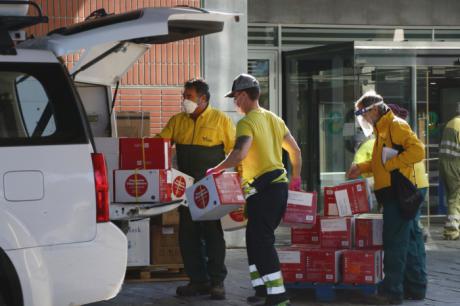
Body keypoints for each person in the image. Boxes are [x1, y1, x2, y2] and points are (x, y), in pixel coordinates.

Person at [206, 73, 302, 306]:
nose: (234, 103)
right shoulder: (274, 119)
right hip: (275, 188)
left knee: (262, 241)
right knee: (253, 239)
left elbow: (240, 152)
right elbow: (295, 151)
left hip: (264, 189)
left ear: (242, 95)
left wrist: (216, 169)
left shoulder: (247, 122)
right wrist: (296, 178)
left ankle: (278, 296)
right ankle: (260, 289)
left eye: (235, 98)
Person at [158, 78, 235, 300]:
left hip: (210, 186)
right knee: (188, 235)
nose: (185, 100)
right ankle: (197, 280)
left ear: (203, 99)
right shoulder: (177, 120)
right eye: (184, 96)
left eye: (189, 96)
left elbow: (234, 152)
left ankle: (217, 282)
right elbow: (160, 144)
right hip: (186, 187)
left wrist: (234, 184)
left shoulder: (221, 119)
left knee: (212, 234)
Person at [347, 91, 427, 305]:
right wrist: (360, 168)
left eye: (363, 114)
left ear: (374, 110)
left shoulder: (395, 126)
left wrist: (390, 165)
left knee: (394, 243)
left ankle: (392, 291)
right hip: (391, 193)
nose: (363, 119)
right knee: (408, 241)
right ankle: (415, 287)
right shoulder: (382, 130)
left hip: (397, 193)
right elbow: (377, 163)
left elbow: (418, 151)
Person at [387, 103, 430, 242]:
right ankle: (415, 259)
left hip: (411, 182)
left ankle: (416, 261)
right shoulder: (396, 129)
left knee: (411, 228)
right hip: (413, 181)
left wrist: (390, 165)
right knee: (411, 225)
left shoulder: (398, 129)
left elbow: (417, 151)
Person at [439, 106, 460, 240]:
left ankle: (452, 227)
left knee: (452, 197)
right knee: (455, 197)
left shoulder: (451, 122)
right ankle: (452, 231)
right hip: (455, 164)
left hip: (444, 164)